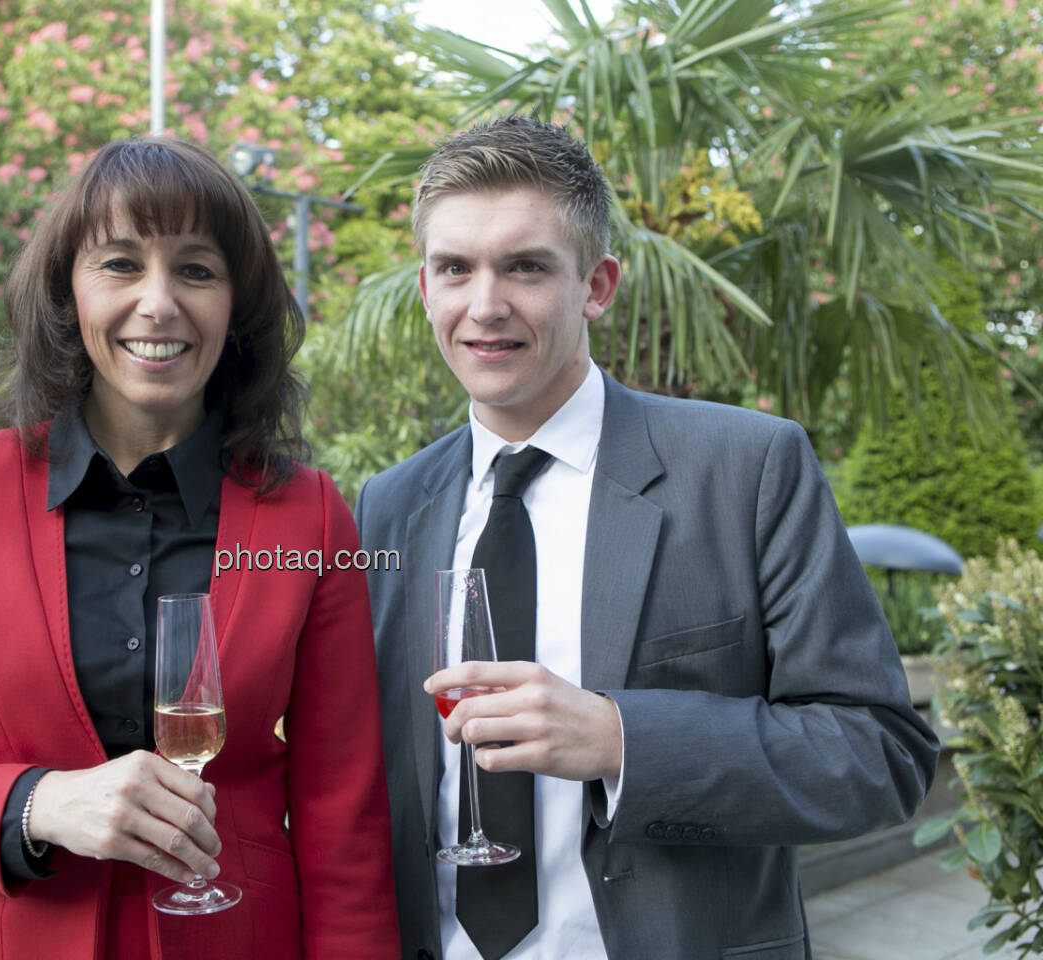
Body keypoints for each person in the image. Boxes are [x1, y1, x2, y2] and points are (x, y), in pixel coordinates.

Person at [354, 115, 939, 960]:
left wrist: (623, 740)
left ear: (597, 285)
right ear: (425, 289)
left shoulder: (747, 467)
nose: (485, 306)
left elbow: (880, 754)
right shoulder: (388, 504)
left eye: (525, 266)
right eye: (456, 269)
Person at [0, 137, 399, 960]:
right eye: (120, 264)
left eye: (197, 270)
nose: (158, 303)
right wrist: (37, 805)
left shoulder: (308, 516)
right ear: (69, 294)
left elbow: (345, 820)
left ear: (238, 304)